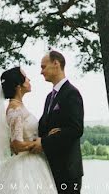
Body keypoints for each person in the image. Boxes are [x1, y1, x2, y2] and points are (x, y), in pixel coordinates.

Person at [0, 66, 56, 192]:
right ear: (18, 86)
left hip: (33, 161)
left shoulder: (19, 106)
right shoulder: (15, 110)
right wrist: (41, 143)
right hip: (26, 165)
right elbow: (16, 145)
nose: (29, 80)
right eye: (26, 78)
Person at [37, 51, 84, 192]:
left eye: (43, 67)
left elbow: (76, 129)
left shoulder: (71, 93)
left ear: (56, 64)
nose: (41, 72)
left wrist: (45, 142)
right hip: (50, 169)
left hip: (67, 171)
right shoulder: (48, 98)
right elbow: (44, 128)